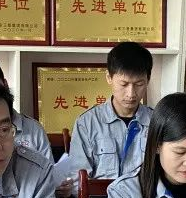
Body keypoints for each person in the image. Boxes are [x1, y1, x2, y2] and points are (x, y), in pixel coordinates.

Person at [66, 41, 154, 182]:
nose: (131, 94)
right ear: (109, 78)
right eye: (124, 84)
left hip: (144, 196)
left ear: (148, 80)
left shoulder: (157, 121)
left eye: (139, 84)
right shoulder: (87, 123)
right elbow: (78, 181)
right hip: (101, 196)